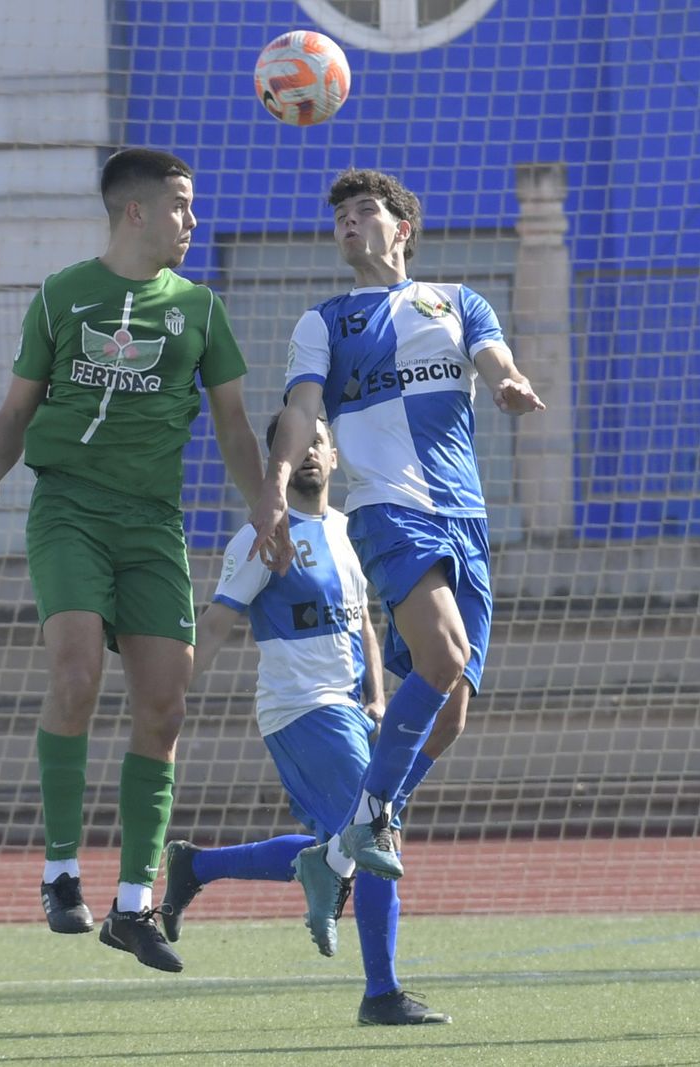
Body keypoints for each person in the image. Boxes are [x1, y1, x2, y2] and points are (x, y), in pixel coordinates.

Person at [0, 147, 265, 973]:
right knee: (74, 677)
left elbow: (236, 427)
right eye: (181, 205)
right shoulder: (64, 295)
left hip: (152, 524)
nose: (193, 221)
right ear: (135, 211)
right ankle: (61, 871)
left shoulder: (201, 307)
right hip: (69, 508)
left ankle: (136, 904)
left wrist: (263, 503)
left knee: (165, 706)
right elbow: (15, 410)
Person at [247, 168, 544, 879]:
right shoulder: (324, 321)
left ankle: (340, 844)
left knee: (451, 713)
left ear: (402, 228)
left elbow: (494, 358)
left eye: (365, 210)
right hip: (389, 510)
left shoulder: (457, 302)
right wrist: (276, 482)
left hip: (465, 517)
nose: (349, 221)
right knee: (442, 658)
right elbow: (300, 411)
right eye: (341, 214)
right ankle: (373, 815)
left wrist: (508, 380)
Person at [158, 414, 450, 1026]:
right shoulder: (264, 536)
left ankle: (196, 866)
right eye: (295, 447)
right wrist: (169, 696)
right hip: (300, 710)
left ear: (336, 457)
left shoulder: (348, 531)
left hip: (347, 708)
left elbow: (364, 621)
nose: (310, 453)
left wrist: (376, 695)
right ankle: (382, 994)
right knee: (374, 837)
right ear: (277, 465)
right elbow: (215, 622)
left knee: (340, 843)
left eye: (319, 442)